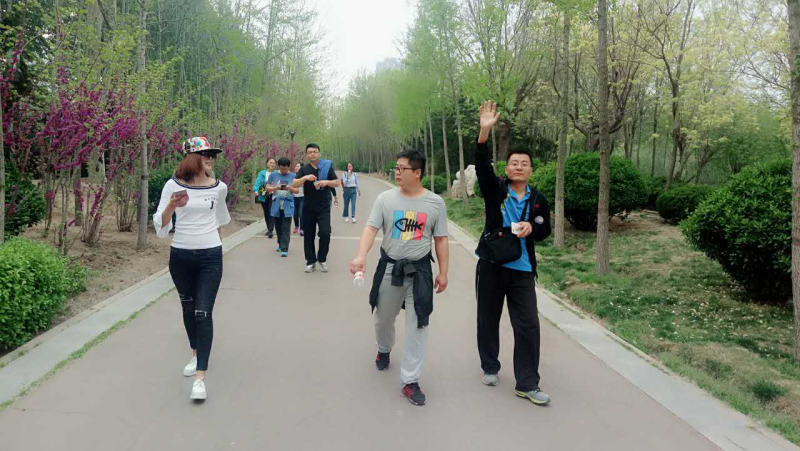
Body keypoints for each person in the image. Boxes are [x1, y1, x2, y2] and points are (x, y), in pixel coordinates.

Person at [350, 150, 450, 407]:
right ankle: (384, 349)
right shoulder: (385, 199)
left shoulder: (436, 203)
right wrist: (361, 255)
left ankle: (410, 380)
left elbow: (440, 239)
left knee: (419, 325)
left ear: (417, 173)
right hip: (390, 268)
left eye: (402, 168)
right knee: (383, 318)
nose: (396, 172)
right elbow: (371, 228)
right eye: (395, 168)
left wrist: (443, 272)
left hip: (420, 272)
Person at [473, 100, 552, 405]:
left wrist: (532, 228)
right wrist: (484, 133)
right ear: (506, 168)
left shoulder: (538, 199)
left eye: (524, 163)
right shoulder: (496, 189)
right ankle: (490, 366)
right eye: (514, 163)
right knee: (488, 318)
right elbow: (482, 167)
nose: (519, 166)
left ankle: (528, 383)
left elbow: (545, 230)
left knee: (528, 324)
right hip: (491, 265)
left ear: (531, 169)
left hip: (522, 270)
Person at [153, 136, 231, 401]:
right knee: (188, 309)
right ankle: (195, 353)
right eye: (205, 155)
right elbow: (161, 227)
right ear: (192, 158)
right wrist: (172, 206)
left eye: (212, 155)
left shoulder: (219, 188)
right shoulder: (172, 185)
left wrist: (212, 244)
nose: (210, 159)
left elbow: (220, 220)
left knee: (203, 312)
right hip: (180, 256)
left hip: (210, 256)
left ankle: (200, 378)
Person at [292, 143, 340, 273]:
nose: (312, 154)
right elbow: (294, 184)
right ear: (307, 155)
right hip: (308, 206)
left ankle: (322, 259)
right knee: (309, 235)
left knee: (325, 232)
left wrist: (326, 182)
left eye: (315, 152)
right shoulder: (304, 169)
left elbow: (337, 183)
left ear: (319, 153)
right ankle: (310, 262)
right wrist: (305, 178)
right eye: (310, 152)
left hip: (323, 206)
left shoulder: (327, 166)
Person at [265, 158, 300, 257]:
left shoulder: (293, 176)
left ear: (289, 167)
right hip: (276, 203)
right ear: (279, 166)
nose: (284, 170)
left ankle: (285, 248)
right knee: (278, 227)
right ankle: (280, 243)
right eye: (282, 168)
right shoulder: (273, 175)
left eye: (285, 168)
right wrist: (276, 187)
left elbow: (297, 191)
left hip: (288, 204)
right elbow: (267, 188)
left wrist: (290, 188)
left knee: (286, 227)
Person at [253, 157, 277, 238]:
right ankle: (269, 228)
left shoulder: (277, 173)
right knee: (266, 212)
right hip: (263, 194)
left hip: (274, 194)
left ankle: (271, 230)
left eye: (273, 163)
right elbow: (258, 182)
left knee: (271, 211)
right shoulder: (262, 173)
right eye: (270, 162)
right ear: (267, 163)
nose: (272, 164)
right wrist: (255, 190)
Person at [293, 162, 305, 236]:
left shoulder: (304, 177)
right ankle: (296, 226)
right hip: (294, 197)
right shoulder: (292, 176)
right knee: (295, 213)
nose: (296, 167)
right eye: (296, 166)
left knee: (301, 213)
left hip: (302, 197)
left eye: (298, 166)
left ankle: (302, 229)